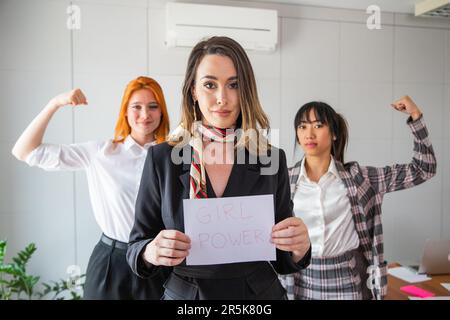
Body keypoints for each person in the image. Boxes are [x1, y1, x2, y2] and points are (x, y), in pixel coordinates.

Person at [126, 36, 312, 300]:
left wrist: (299, 247)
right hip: (188, 297)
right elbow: (135, 246)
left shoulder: (271, 158)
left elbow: (282, 257)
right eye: (210, 85)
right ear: (193, 90)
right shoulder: (162, 158)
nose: (222, 98)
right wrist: (150, 252)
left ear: (246, 89)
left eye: (233, 85)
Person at [11, 76, 170, 299]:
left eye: (153, 107)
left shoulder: (173, 157)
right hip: (111, 262)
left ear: (162, 112)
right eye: (137, 107)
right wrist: (56, 103)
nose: (145, 115)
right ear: (125, 111)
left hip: (156, 262)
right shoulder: (101, 153)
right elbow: (25, 151)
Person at [279, 97, 436, 300]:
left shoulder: (360, 179)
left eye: (318, 125)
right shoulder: (283, 180)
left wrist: (416, 117)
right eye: (302, 127)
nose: (309, 134)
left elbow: (424, 169)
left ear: (334, 134)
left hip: (348, 281)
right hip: (300, 280)